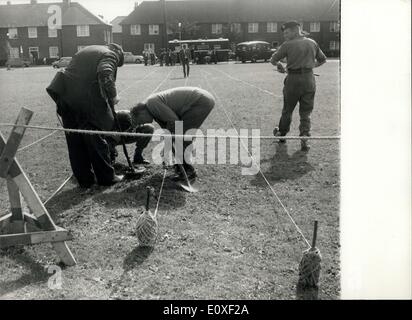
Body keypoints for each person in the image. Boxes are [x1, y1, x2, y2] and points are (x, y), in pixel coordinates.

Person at [46, 43, 125, 188]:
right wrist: (113, 96)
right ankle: (106, 177)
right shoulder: (109, 54)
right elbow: (105, 73)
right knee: (95, 137)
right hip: (86, 103)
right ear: (118, 53)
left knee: (75, 141)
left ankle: (85, 179)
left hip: (66, 101)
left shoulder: (87, 51)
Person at [129, 87, 215, 181]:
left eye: (140, 121)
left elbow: (174, 122)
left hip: (200, 101)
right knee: (179, 136)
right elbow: (167, 129)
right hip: (200, 99)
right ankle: (180, 166)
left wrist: (168, 146)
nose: (143, 123)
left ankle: (187, 171)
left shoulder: (152, 104)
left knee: (182, 136)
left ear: (142, 113)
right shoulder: (152, 109)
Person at [270, 21, 327, 151]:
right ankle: (304, 138)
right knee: (306, 112)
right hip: (309, 80)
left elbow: (273, 60)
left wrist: (280, 66)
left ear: (296, 31)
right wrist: (310, 67)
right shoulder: (312, 43)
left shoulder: (287, 45)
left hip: (293, 80)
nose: (284, 35)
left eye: (287, 32)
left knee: (287, 110)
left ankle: (282, 134)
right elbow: (323, 60)